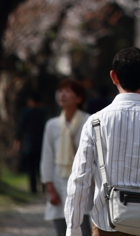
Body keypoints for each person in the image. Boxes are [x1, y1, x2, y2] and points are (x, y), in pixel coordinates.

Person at [65, 47, 140, 236]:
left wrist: (73, 228)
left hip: (107, 222)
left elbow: (80, 179)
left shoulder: (95, 121)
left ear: (113, 77)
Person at [42, 79, 92, 236]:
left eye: (68, 91)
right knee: (60, 226)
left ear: (79, 98)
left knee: (82, 226)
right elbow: (47, 157)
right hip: (59, 180)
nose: (62, 94)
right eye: (60, 91)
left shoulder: (89, 121)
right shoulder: (52, 125)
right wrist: (50, 188)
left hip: (83, 182)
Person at [14, 92, 48, 193]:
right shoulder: (44, 112)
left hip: (30, 144)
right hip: (43, 143)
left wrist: (17, 141)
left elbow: (20, 128)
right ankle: (44, 187)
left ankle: (33, 189)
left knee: (31, 169)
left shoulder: (26, 112)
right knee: (41, 167)